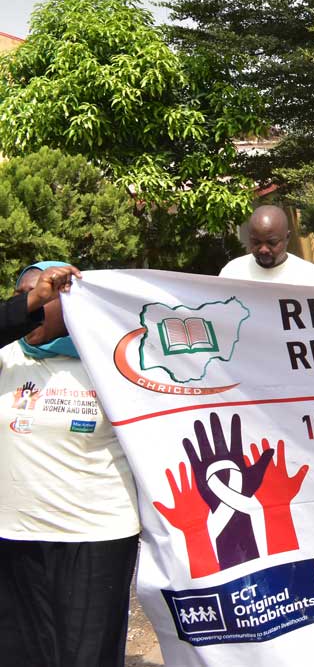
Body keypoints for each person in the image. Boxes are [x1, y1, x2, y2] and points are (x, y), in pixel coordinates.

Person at [0, 261, 140, 667]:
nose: (34, 306)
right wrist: (32, 300)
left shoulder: (112, 361)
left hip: (94, 536)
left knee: (85, 657)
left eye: (47, 297)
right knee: (21, 655)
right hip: (16, 536)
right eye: (25, 296)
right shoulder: (8, 358)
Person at [219, 205, 314, 285]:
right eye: (256, 242)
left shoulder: (311, 277)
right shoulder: (231, 273)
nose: (263, 249)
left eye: (272, 242)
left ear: (287, 238)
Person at [1, 265, 80, 347]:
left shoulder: (90, 354)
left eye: (42, 298)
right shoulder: (6, 354)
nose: (32, 305)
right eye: (20, 296)